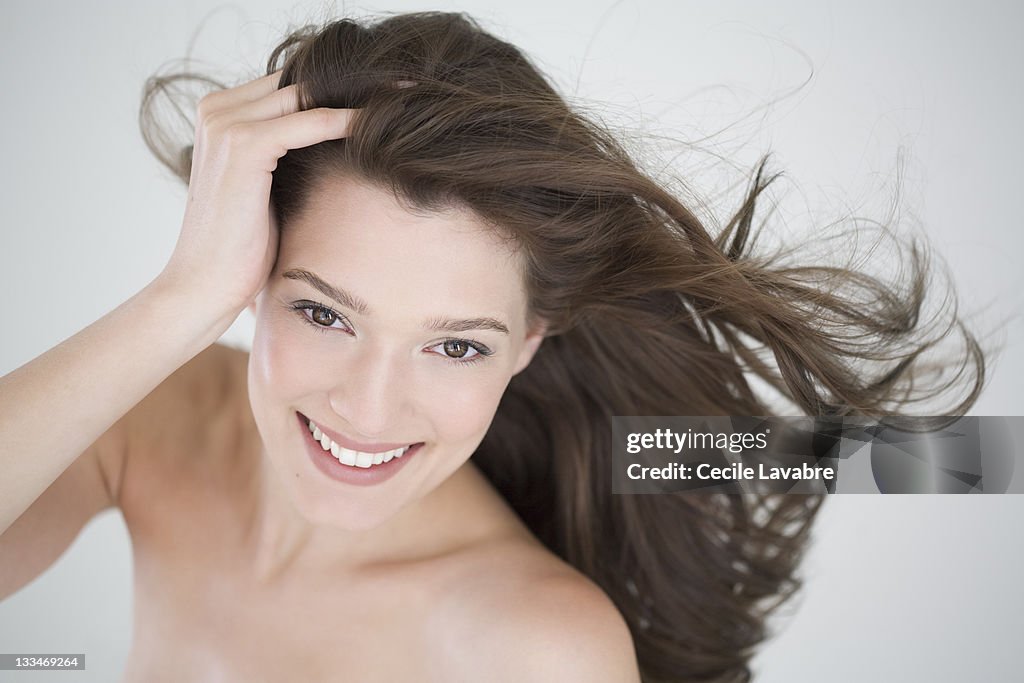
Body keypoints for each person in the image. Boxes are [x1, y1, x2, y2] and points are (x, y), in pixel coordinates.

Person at [0, 10, 988, 682]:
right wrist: (181, 297)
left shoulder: (532, 645)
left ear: (529, 343)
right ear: (248, 276)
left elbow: (936, 456)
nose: (369, 408)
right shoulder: (153, 421)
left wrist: (960, 453)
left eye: (457, 347)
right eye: (324, 314)